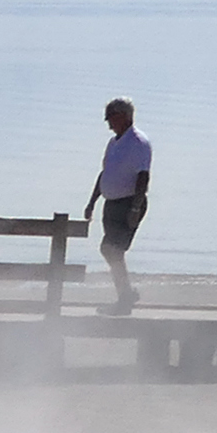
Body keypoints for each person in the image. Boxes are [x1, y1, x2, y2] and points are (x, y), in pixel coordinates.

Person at [88, 100, 150, 313]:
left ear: (123, 116)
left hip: (129, 203)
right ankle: (126, 295)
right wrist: (92, 202)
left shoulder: (138, 142)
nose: (109, 124)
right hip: (111, 204)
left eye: (111, 118)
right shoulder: (114, 143)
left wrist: (135, 207)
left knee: (112, 249)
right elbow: (105, 173)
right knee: (111, 251)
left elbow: (143, 177)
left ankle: (125, 300)